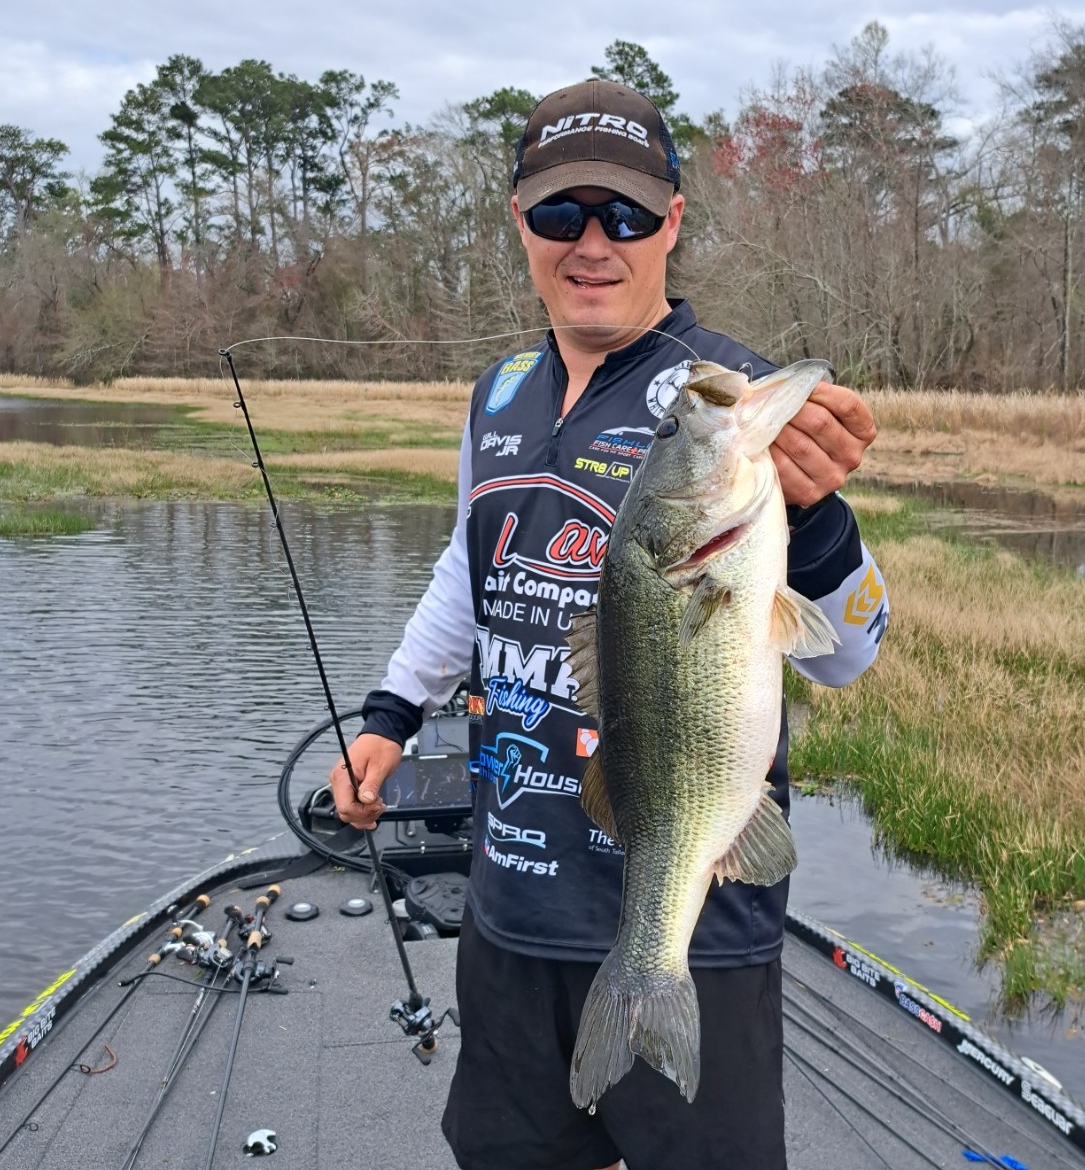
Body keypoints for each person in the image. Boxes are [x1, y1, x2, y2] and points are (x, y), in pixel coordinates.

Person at [330, 78, 890, 1170]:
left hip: (697, 918)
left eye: (625, 215)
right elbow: (467, 569)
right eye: (561, 213)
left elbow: (852, 651)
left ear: (671, 223)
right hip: (509, 906)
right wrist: (390, 716)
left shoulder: (728, 399)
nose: (593, 244)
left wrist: (818, 518)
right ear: (520, 223)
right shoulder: (497, 394)